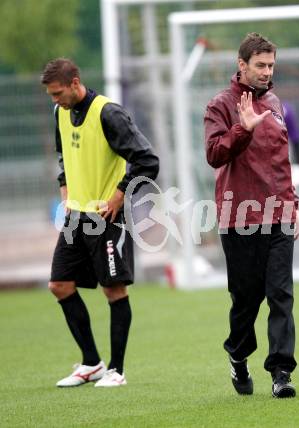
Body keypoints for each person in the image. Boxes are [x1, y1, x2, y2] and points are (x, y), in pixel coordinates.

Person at [41, 58, 159, 388]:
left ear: (75, 83)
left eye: (58, 93)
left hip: (108, 218)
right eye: (51, 95)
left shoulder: (109, 113)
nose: (55, 100)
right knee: (59, 285)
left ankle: (117, 371)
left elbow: (148, 160)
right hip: (76, 217)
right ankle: (92, 362)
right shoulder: (59, 113)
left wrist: (119, 196)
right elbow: (63, 156)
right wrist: (65, 195)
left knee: (113, 289)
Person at [204, 33, 299, 398]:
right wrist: (242, 129)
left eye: (271, 65)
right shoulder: (220, 106)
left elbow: (282, 162)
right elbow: (214, 154)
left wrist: (295, 204)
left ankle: (281, 372)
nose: (266, 72)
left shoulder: (276, 103)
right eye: (260, 65)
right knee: (246, 301)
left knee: (281, 294)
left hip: (278, 215)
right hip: (239, 218)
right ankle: (238, 356)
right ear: (241, 64)